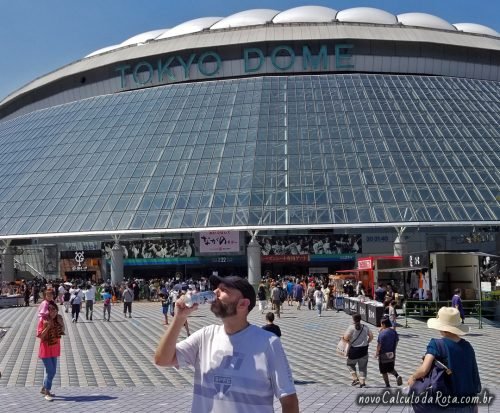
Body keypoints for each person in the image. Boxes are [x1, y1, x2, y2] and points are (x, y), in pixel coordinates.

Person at [154, 275, 299, 413]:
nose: (215, 292)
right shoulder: (205, 336)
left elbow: (289, 400)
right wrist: (179, 318)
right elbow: (162, 360)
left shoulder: (268, 342)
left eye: (224, 290)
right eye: (217, 288)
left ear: (243, 304)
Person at [408, 307, 481, 412]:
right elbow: (474, 376)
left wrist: (413, 377)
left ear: (442, 327)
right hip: (468, 405)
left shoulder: (436, 344)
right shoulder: (468, 346)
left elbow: (424, 370)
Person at [37, 301, 65, 401]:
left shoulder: (58, 319)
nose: (52, 311)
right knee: (51, 371)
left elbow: (62, 332)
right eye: (50, 309)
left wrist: (61, 324)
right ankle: (47, 391)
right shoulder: (43, 320)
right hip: (45, 348)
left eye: (54, 309)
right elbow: (40, 335)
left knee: (50, 371)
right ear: (47, 311)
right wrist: (48, 327)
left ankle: (44, 388)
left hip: (55, 348)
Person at [342, 313, 373, 388]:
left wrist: (344, 339)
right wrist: (367, 342)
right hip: (364, 350)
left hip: (354, 350)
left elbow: (346, 338)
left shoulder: (351, 328)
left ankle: (355, 378)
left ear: (353, 320)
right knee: (363, 366)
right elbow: (371, 336)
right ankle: (362, 382)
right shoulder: (365, 327)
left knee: (350, 364)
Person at [375, 317, 403, 387]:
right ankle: (397, 376)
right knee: (390, 368)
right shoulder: (394, 331)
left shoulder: (382, 333)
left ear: (384, 324)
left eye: (381, 324)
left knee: (383, 371)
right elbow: (396, 341)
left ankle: (387, 384)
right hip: (392, 353)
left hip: (383, 354)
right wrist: (394, 349)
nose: (380, 325)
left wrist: (377, 353)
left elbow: (379, 344)